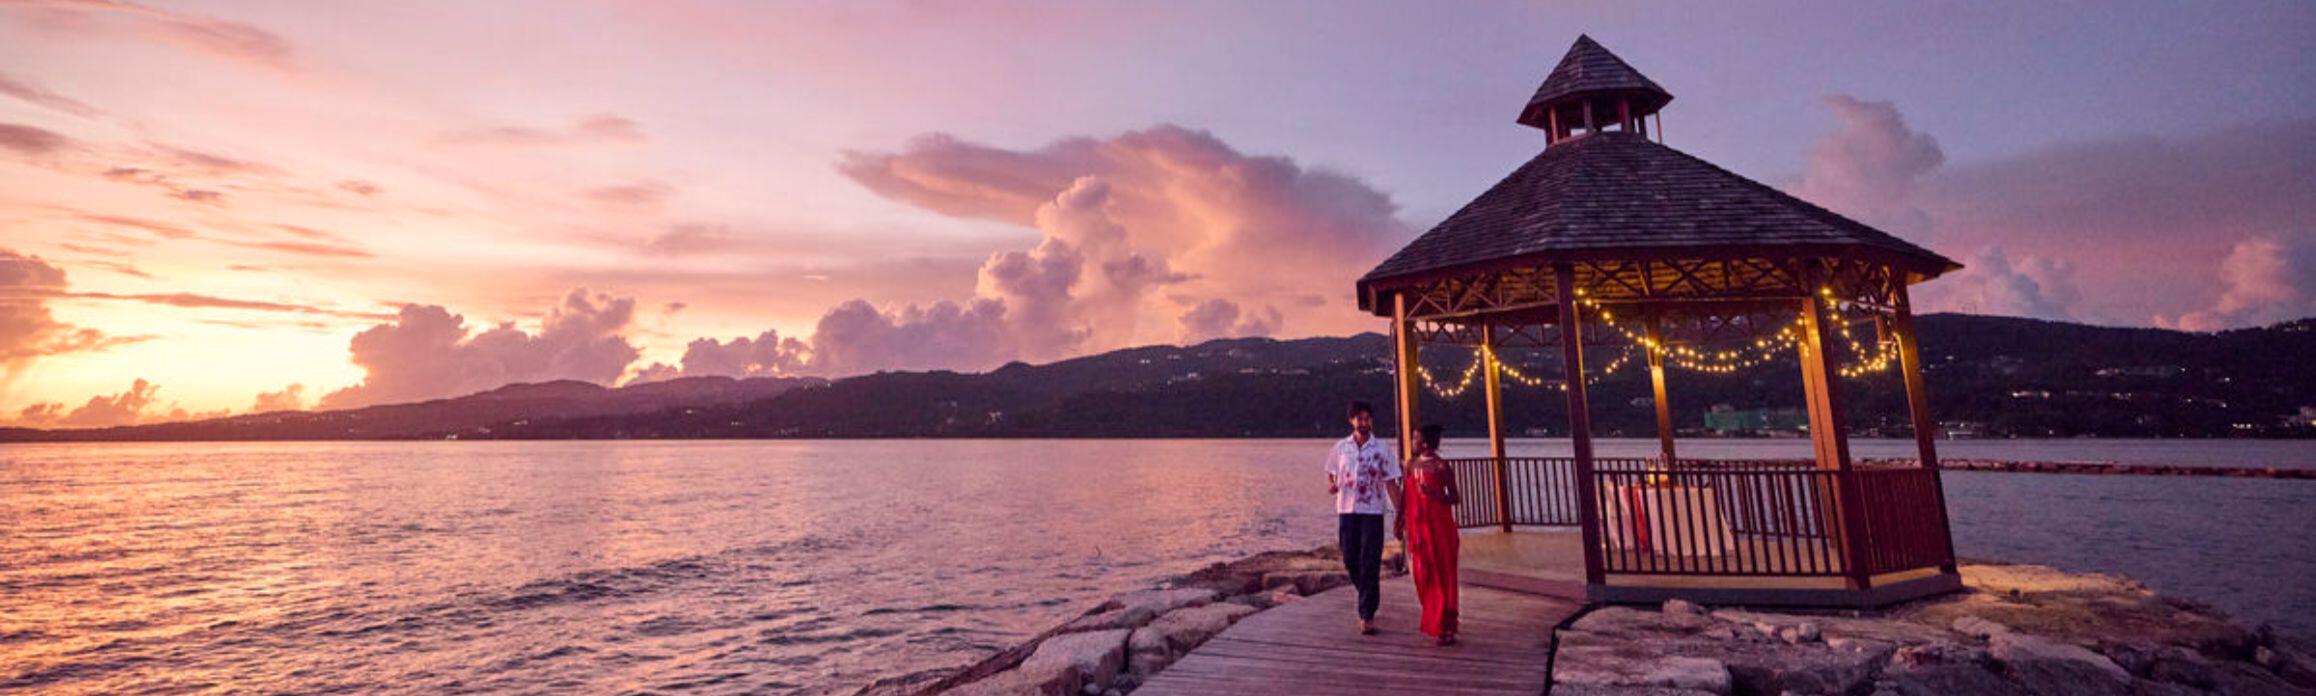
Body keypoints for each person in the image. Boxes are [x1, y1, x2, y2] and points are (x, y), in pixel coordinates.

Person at [1324, 400, 1403, 635]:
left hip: (1372, 513)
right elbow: (1330, 473)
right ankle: (1368, 595)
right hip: (1347, 511)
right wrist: (1331, 485)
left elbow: (1391, 483)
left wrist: (1401, 513)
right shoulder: (1340, 448)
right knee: (1350, 560)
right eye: (1359, 419)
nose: (1364, 423)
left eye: (1367, 419)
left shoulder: (1382, 448)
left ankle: (1366, 615)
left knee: (1369, 562)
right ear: (1352, 421)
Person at [1402, 424, 1461, 645]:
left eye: (1416, 438)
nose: (1413, 442)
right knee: (1423, 574)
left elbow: (1455, 497)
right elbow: (1404, 497)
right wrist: (1400, 521)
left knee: (1444, 575)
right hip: (1419, 528)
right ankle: (1433, 617)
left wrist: (1434, 494)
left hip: (1441, 528)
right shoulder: (1410, 465)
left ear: (1425, 442)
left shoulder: (1441, 467)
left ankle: (1445, 626)